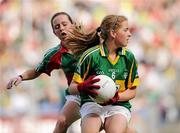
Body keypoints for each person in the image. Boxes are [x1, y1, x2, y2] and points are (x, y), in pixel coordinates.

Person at [6, 12, 82, 133]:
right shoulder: (54, 54)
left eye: (64, 24)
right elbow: (36, 71)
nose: (61, 28)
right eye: (57, 27)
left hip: (99, 91)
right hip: (78, 95)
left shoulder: (89, 43)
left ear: (72, 25)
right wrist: (21, 76)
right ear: (54, 33)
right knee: (61, 122)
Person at [68, 15, 140, 133]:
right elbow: (72, 89)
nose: (130, 34)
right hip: (92, 104)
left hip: (118, 106)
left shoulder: (129, 58)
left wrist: (117, 97)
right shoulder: (90, 56)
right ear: (113, 33)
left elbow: (133, 91)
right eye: (126, 30)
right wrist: (82, 87)